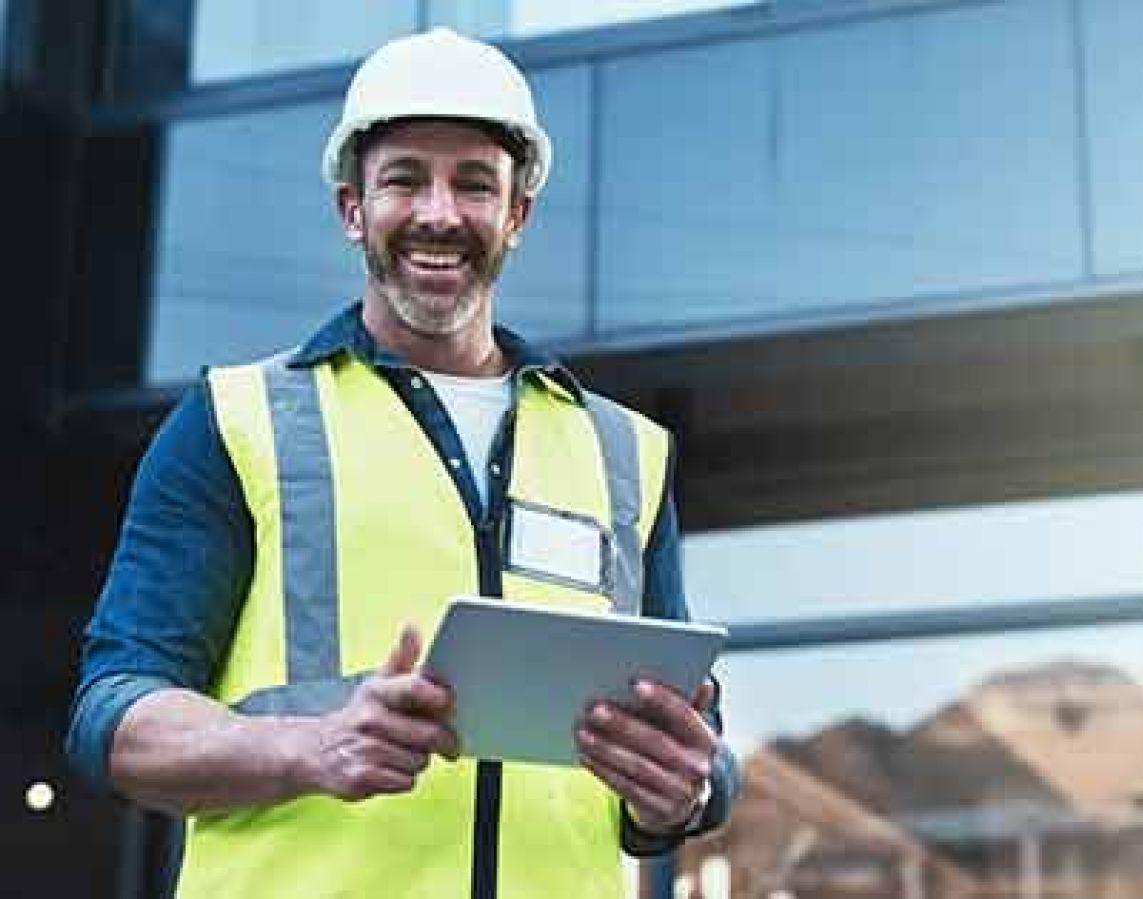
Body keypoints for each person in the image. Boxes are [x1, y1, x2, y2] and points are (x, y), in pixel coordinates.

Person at [67, 27, 736, 899]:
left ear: (516, 215)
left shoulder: (626, 456)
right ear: (353, 206)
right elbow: (113, 719)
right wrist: (313, 746)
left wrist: (685, 788)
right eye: (404, 178)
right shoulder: (237, 422)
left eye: (473, 184)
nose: (438, 213)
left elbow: (693, 757)